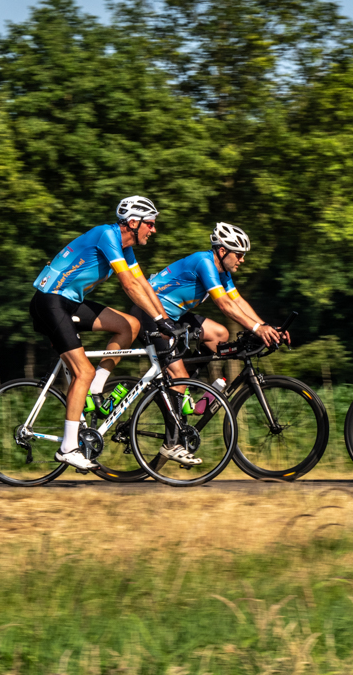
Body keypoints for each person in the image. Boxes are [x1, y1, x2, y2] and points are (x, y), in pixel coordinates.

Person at [29, 196, 175, 471]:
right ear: (133, 223)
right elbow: (129, 285)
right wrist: (157, 318)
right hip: (50, 301)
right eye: (150, 224)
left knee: (129, 325)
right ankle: (68, 448)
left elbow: (143, 283)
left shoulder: (125, 246)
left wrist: (165, 320)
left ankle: (97, 385)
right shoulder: (106, 234)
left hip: (68, 302)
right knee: (82, 371)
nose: (153, 230)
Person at [130, 222, 288, 464]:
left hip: (174, 315)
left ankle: (181, 383)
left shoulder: (222, 272)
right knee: (179, 375)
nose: (243, 260)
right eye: (239, 254)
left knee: (220, 334)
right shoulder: (204, 262)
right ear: (222, 251)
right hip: (149, 313)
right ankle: (171, 443)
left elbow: (237, 301)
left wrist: (265, 328)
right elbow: (224, 305)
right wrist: (257, 329)